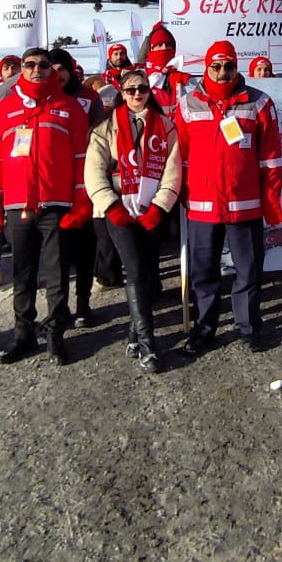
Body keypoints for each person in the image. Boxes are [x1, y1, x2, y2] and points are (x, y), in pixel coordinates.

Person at [175, 39, 282, 354]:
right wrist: (182, 195)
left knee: (249, 271)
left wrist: (271, 200)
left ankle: (249, 327)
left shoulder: (259, 102)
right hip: (202, 206)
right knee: (203, 272)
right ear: (206, 67)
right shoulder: (187, 104)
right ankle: (204, 329)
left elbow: (271, 158)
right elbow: (180, 157)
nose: (223, 72)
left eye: (229, 66)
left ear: (237, 67)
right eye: (216, 66)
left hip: (245, 204)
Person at [0, 47, 90, 367]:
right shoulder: (4, 109)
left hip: (56, 204)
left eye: (43, 65)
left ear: (51, 70)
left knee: (57, 273)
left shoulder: (69, 107)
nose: (36, 70)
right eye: (29, 64)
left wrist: (81, 199)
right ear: (21, 69)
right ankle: (23, 333)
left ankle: (56, 333)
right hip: (18, 205)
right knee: (23, 272)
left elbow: (81, 158)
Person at [85, 69, 183, 372]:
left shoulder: (165, 126)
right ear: (121, 93)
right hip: (119, 210)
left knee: (148, 272)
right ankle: (148, 344)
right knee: (136, 271)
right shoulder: (105, 128)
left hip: (152, 208)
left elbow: (173, 168)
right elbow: (93, 171)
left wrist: (161, 206)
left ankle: (133, 333)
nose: (137, 94)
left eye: (142, 89)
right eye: (131, 90)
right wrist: (111, 206)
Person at [50, 47, 106, 326]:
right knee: (57, 253)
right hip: (53, 185)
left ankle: (83, 304)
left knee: (85, 247)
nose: (57, 75)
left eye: (62, 69)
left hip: (85, 180)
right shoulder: (42, 99)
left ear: (71, 70)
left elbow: (101, 135)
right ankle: (57, 309)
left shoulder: (89, 98)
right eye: (52, 69)